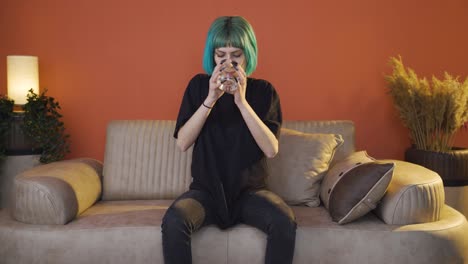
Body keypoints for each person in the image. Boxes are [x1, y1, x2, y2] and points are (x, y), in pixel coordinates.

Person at [161, 16, 297, 264]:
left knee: (283, 221)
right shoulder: (198, 85)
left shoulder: (264, 91)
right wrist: (211, 98)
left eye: (236, 55)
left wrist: (241, 101)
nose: (228, 62)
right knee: (174, 220)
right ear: (212, 57)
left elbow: (271, 149)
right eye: (220, 55)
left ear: (248, 55)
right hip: (205, 193)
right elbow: (182, 143)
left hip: (251, 193)